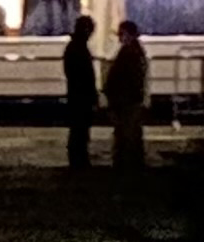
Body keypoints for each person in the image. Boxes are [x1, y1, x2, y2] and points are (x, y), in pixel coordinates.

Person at [107, 21, 152, 172]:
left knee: (126, 132)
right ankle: (133, 163)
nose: (119, 37)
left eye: (121, 34)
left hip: (126, 99)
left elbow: (122, 77)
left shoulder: (129, 52)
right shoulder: (136, 51)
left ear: (128, 34)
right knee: (131, 132)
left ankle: (127, 164)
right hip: (130, 98)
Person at [60, 14, 102, 170]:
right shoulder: (79, 48)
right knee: (80, 130)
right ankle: (79, 160)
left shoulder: (73, 47)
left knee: (78, 129)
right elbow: (85, 76)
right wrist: (93, 95)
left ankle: (78, 159)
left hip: (76, 95)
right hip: (81, 96)